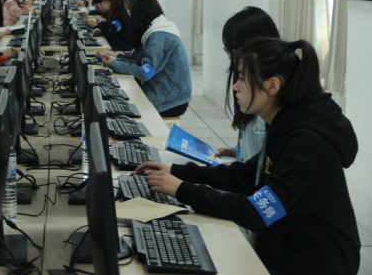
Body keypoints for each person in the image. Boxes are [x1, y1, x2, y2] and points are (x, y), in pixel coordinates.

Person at [138, 38, 360, 275]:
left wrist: (183, 190)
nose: (235, 86)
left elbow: (257, 212)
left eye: (243, 79)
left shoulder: (307, 144)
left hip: (317, 262)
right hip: (289, 248)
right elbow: (246, 174)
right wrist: (178, 172)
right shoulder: (287, 123)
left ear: (272, 86)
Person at [99, 0, 191, 117]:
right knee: (117, 102)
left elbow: (146, 72)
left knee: (118, 110)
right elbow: (139, 61)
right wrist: (114, 60)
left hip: (170, 100)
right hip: (165, 93)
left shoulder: (158, 39)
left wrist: (115, 64)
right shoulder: (155, 33)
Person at [215, 7, 280, 162]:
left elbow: (264, 167)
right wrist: (235, 152)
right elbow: (255, 151)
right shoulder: (254, 92)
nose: (230, 57)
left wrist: (239, 169)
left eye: (233, 49)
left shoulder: (268, 102)